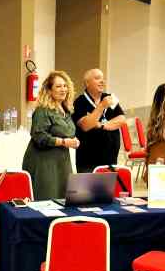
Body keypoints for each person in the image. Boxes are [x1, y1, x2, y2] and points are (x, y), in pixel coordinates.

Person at [22, 70, 79, 200]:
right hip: (44, 163)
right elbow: (39, 136)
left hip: (62, 162)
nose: (63, 89)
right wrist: (64, 142)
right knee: (46, 200)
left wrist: (73, 140)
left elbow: (66, 133)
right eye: (58, 86)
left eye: (65, 86)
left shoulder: (66, 110)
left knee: (63, 200)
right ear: (49, 90)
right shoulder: (42, 110)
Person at [71, 68, 126, 173]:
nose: (102, 81)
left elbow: (122, 119)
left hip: (110, 160)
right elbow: (86, 125)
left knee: (109, 185)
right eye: (97, 78)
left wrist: (102, 125)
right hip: (88, 162)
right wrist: (102, 106)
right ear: (87, 83)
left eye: (103, 78)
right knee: (89, 185)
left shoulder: (109, 97)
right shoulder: (79, 102)